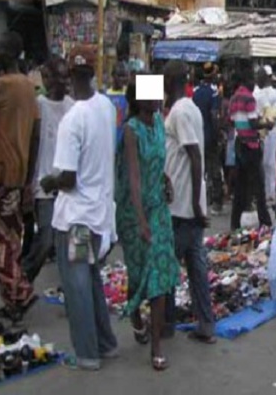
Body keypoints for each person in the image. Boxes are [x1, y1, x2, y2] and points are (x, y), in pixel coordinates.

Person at [40, 45, 118, 370]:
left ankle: (87, 353)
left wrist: (48, 182)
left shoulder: (73, 119)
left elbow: (68, 178)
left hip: (75, 220)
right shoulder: (106, 107)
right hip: (98, 215)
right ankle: (106, 343)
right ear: (95, 71)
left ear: (71, 76)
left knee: (77, 287)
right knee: (91, 279)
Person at [115, 77, 178, 371]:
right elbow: (134, 177)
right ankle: (135, 316)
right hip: (134, 211)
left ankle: (156, 346)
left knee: (159, 276)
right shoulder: (131, 130)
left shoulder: (159, 125)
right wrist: (141, 220)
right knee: (139, 271)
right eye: (152, 95)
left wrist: (166, 180)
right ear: (138, 99)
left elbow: (157, 162)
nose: (158, 100)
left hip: (159, 209)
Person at [0, 33, 40, 323]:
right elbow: (36, 135)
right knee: (10, 240)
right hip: (17, 177)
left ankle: (21, 292)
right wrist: (29, 179)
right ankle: (12, 303)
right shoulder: (29, 88)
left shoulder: (3, 86)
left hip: (0, 175)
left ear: (8, 55)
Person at [162, 60, 216, 345]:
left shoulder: (182, 111)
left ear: (170, 82)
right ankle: (206, 324)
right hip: (188, 203)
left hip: (182, 205)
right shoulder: (188, 108)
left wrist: (195, 203)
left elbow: (194, 155)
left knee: (169, 265)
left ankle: (167, 324)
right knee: (196, 267)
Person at [23, 57, 74, 284]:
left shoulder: (72, 107)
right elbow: (31, 145)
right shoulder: (38, 106)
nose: (63, 82)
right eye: (58, 77)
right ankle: (22, 283)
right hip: (44, 185)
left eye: (66, 77)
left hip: (68, 184)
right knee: (45, 239)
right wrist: (28, 183)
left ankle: (71, 287)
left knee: (71, 242)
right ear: (47, 78)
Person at [230, 67, 272, 230]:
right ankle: (265, 222)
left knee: (240, 188)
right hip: (251, 145)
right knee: (258, 187)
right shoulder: (249, 98)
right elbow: (254, 123)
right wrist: (266, 123)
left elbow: (232, 121)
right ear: (248, 80)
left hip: (240, 143)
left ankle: (235, 223)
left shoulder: (234, 98)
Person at [193, 63, 223, 215]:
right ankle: (217, 202)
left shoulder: (195, 92)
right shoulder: (214, 93)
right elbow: (214, 115)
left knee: (199, 168)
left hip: (196, 136)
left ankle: (199, 200)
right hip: (210, 136)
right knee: (214, 169)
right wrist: (219, 134)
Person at [255, 67, 276, 206]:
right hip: (266, 129)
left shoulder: (268, 93)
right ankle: (268, 193)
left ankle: (269, 194)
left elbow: (273, 114)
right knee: (268, 163)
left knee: (268, 162)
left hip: (267, 130)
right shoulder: (268, 93)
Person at [105, 62, 130, 149]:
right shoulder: (105, 95)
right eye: (120, 76)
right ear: (113, 76)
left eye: (125, 76)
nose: (123, 79)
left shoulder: (130, 93)